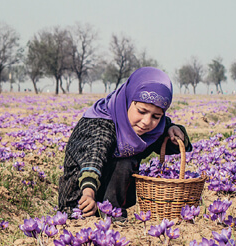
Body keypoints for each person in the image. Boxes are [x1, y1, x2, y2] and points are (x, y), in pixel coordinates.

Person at [58, 67, 192, 220]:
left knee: (128, 160)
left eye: (156, 116)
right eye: (141, 111)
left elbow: (163, 135)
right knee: (124, 161)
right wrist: (88, 194)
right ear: (128, 100)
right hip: (80, 198)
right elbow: (93, 157)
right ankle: (102, 213)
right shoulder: (101, 123)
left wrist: (173, 130)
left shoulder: (149, 126)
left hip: (110, 203)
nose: (147, 122)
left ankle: (112, 213)